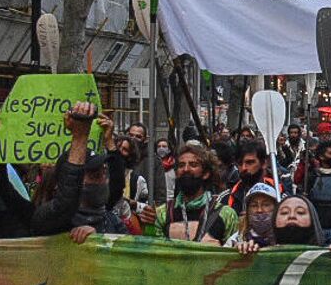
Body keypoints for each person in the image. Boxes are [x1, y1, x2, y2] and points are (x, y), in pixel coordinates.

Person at [30, 103, 128, 242]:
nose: (102, 181)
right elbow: (66, 203)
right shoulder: (50, 218)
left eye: (104, 173)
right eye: (94, 175)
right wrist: (80, 136)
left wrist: (109, 142)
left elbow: (117, 184)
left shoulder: (112, 221)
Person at [140, 142, 237, 243]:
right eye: (181, 165)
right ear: (176, 173)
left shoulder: (226, 215)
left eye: (193, 165)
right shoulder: (162, 214)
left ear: (206, 174)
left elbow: (234, 252)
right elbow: (155, 251)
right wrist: (147, 227)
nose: (186, 169)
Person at [226, 182, 284, 251]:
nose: (259, 210)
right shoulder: (236, 240)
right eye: (254, 205)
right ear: (247, 210)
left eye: (266, 205)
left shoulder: (285, 236)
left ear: (276, 208)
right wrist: (236, 251)